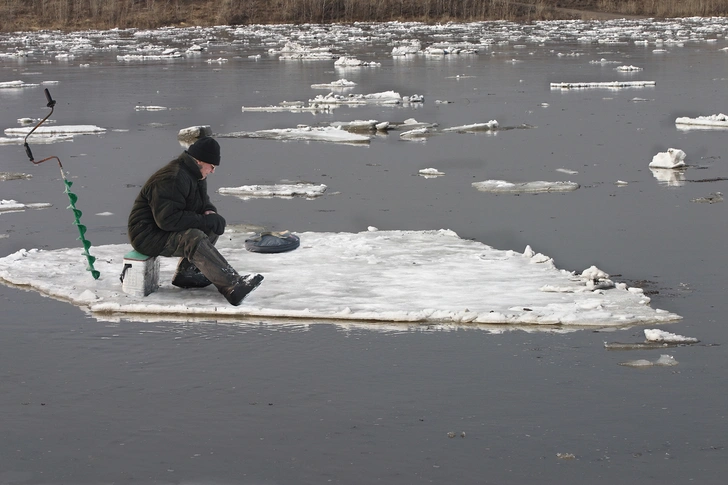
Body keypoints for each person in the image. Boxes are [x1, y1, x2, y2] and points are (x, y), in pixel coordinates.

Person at [127, 136, 263, 305]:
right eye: (212, 166)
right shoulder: (173, 178)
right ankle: (232, 286)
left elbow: (202, 202)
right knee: (193, 237)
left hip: (162, 228)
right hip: (147, 234)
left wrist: (210, 213)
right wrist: (204, 220)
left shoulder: (196, 175)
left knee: (211, 224)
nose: (213, 171)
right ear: (199, 160)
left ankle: (188, 274)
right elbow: (167, 220)